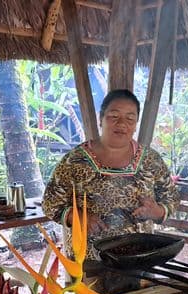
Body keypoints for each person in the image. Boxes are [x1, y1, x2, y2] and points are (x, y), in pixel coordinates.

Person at [42, 89, 180, 261]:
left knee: (143, 289)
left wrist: (158, 211)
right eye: (114, 116)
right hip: (88, 259)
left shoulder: (151, 161)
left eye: (130, 118)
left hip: (140, 257)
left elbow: (172, 198)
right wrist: (77, 216)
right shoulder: (75, 160)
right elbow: (50, 203)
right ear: (101, 119)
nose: (122, 123)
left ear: (136, 123)